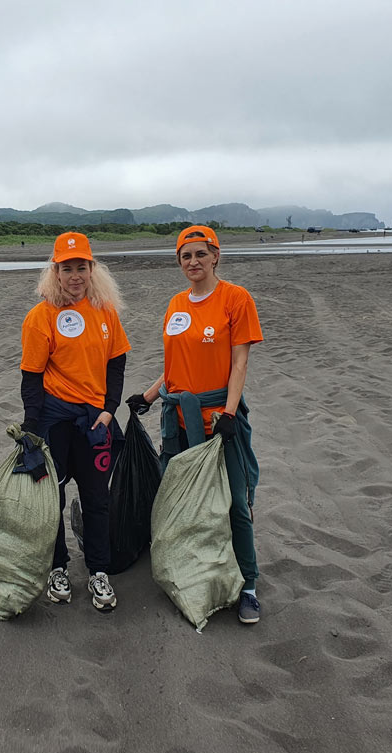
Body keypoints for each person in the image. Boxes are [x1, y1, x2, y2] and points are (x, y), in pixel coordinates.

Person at [126, 225, 264, 624]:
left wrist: (230, 414)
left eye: (201, 254)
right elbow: (174, 367)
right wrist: (149, 396)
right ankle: (194, 571)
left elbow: (239, 363)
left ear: (216, 256)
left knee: (236, 500)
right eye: (186, 256)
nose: (193, 262)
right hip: (179, 419)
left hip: (219, 418)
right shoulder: (175, 304)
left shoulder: (235, 300)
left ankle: (249, 584)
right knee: (180, 496)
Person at [20, 232, 130, 612]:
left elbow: (117, 362)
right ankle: (58, 567)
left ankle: (98, 570)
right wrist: (31, 424)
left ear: (91, 269)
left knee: (97, 498)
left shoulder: (105, 311)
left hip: (95, 419)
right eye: (66, 268)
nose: (74, 275)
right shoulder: (41, 315)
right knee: (52, 497)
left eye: (81, 267)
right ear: (56, 272)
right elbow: (31, 376)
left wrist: (109, 408)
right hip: (55, 417)